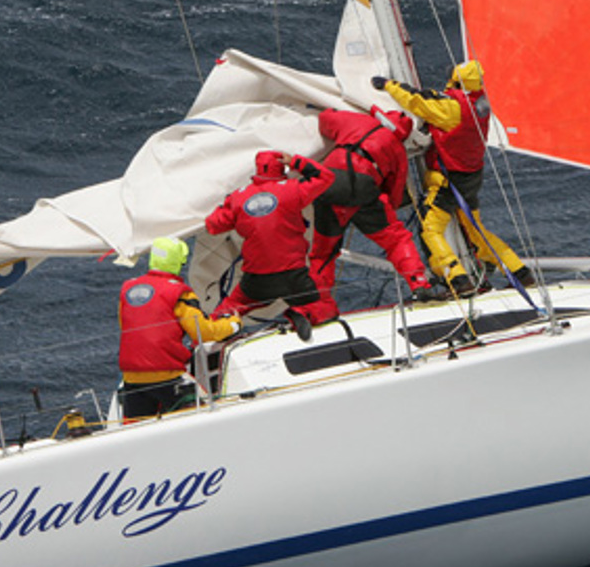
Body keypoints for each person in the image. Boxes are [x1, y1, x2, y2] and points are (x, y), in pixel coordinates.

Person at [373, 60, 535, 297]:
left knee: (430, 229)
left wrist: (388, 85)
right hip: (472, 176)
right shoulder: (481, 104)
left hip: (449, 181)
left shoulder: (452, 108)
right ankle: (520, 272)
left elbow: (417, 100)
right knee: (475, 230)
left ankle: (458, 279)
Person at [308, 106, 440, 320]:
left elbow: (325, 120)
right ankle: (419, 283)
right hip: (364, 188)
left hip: (330, 182)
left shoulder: (358, 122)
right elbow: (395, 193)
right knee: (396, 240)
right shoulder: (397, 150)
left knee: (324, 252)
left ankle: (318, 305)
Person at [206, 150, 335, 339]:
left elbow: (212, 225)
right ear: (281, 167)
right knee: (324, 304)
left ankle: (214, 331)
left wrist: (227, 203)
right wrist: (296, 162)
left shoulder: (238, 198)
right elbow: (326, 176)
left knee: (232, 306)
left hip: (257, 279)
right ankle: (302, 313)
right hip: (294, 276)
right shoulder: (293, 189)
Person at [118, 236, 241, 421]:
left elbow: (128, 326)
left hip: (132, 379)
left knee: (136, 429)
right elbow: (204, 332)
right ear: (178, 261)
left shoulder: (128, 289)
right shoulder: (179, 293)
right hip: (168, 377)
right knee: (207, 415)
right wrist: (233, 324)